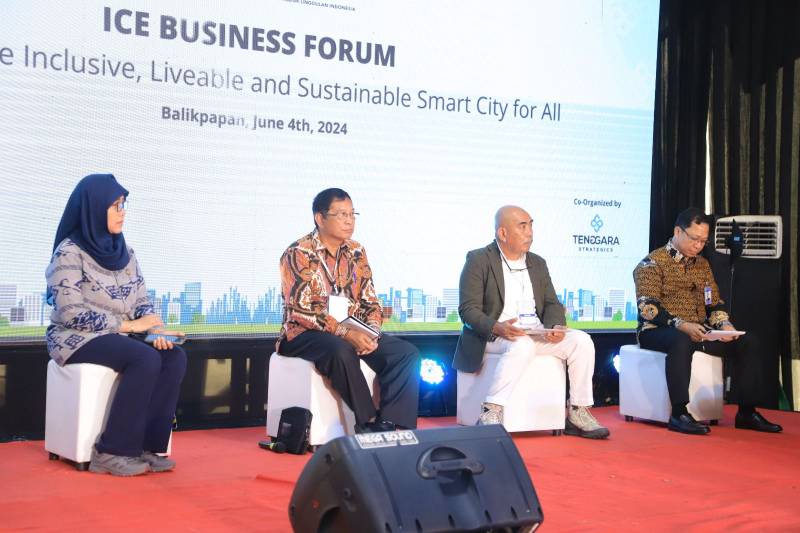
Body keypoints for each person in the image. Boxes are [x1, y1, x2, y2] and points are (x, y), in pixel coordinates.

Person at [46, 174, 187, 476]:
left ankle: (146, 447)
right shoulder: (68, 253)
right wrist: (131, 327)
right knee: (144, 357)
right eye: (115, 206)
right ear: (94, 209)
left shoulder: (126, 253)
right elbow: (71, 314)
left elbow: (141, 300)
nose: (122, 213)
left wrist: (155, 330)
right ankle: (112, 452)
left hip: (118, 334)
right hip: (75, 338)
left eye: (124, 205)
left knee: (173, 356)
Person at [452, 205, 609, 439]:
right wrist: (497, 327)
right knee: (521, 345)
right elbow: (468, 310)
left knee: (581, 341)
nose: (530, 232)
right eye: (522, 226)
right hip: (494, 335)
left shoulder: (537, 262)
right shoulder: (479, 259)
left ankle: (578, 411)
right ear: (503, 233)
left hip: (534, 332)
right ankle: (491, 411)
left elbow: (552, 303)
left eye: (531, 225)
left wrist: (555, 327)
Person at [276, 188, 419, 433]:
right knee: (341, 349)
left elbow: (370, 300)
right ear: (320, 218)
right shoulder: (298, 253)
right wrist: (346, 333)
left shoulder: (356, 251)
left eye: (352, 214)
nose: (349, 220)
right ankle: (368, 422)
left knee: (406, 353)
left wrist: (372, 331)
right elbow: (301, 310)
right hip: (303, 333)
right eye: (341, 214)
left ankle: (390, 424)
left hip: (350, 329)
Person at [633, 207, 782, 435]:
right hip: (658, 330)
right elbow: (648, 308)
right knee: (681, 340)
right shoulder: (651, 264)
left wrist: (723, 324)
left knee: (748, 342)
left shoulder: (702, 265)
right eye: (695, 239)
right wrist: (681, 324)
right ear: (678, 231)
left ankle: (746, 412)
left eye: (703, 241)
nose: (698, 245)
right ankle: (679, 413)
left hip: (700, 330)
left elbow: (713, 303)